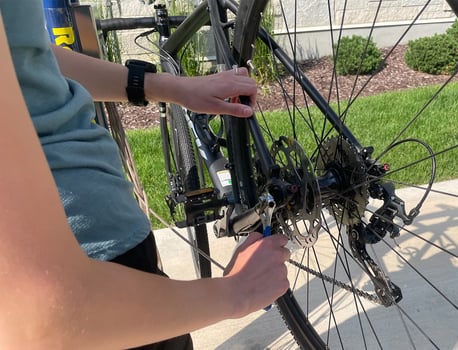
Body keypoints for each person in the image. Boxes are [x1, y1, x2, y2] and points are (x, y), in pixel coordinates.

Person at [0, 0, 290, 348]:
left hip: (107, 255)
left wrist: (168, 86)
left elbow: (30, 56)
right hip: (100, 285)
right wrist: (236, 293)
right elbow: (43, 318)